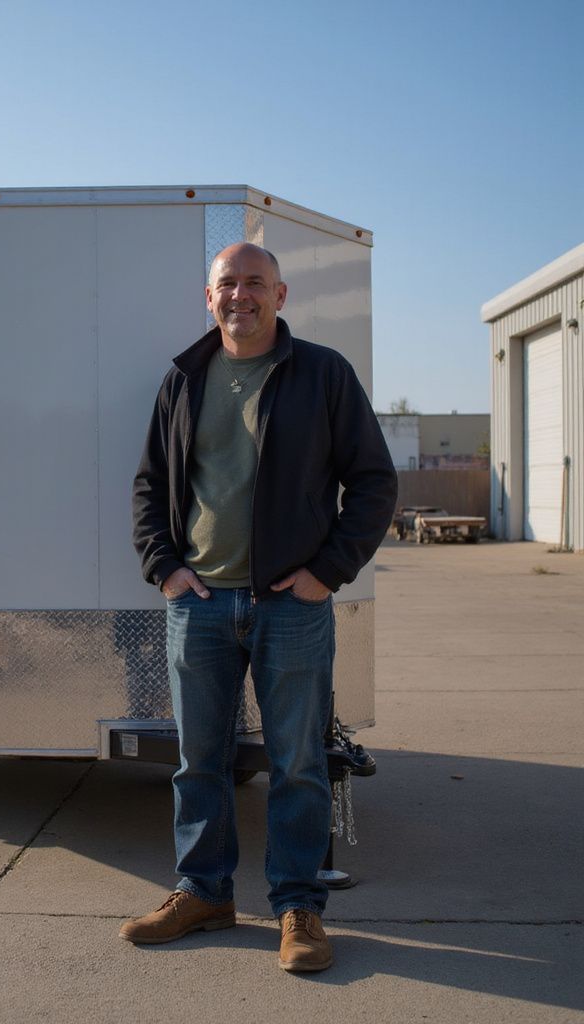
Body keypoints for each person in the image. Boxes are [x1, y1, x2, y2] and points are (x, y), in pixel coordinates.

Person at [124, 242, 397, 972]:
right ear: (207, 297)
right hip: (201, 604)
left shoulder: (322, 374)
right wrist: (166, 570)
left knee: (299, 762)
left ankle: (298, 908)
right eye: (226, 284)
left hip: (291, 606)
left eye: (254, 283)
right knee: (198, 762)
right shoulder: (184, 378)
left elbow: (374, 482)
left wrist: (326, 571)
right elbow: (151, 486)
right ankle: (203, 892)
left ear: (281, 294)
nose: (239, 294)